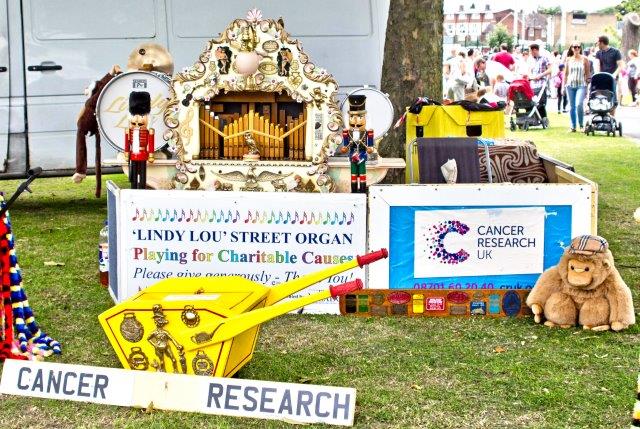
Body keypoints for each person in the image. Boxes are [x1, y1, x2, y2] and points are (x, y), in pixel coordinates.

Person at [564, 43, 591, 132]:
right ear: (571, 48)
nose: (576, 48)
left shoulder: (585, 59)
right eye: (575, 47)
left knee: (579, 104)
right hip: (570, 85)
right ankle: (573, 126)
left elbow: (588, 73)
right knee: (571, 106)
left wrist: (587, 86)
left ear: (580, 48)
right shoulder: (568, 59)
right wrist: (563, 86)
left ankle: (581, 125)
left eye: (578, 47)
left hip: (581, 85)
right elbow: (566, 74)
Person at [595, 35, 624, 114]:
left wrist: (614, 75)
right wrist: (597, 74)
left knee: (611, 97)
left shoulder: (615, 52)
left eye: (597, 42)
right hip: (602, 78)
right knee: (600, 96)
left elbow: (620, 65)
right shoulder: (598, 53)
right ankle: (601, 113)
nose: (596, 44)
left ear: (601, 43)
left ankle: (612, 116)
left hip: (612, 78)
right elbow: (597, 65)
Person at [529, 43, 552, 119]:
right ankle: (536, 119)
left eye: (530, 51)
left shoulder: (544, 58)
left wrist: (541, 75)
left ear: (535, 50)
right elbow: (531, 71)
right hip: (533, 84)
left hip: (541, 84)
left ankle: (543, 118)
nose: (530, 53)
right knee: (534, 102)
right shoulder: (533, 60)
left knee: (540, 102)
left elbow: (550, 70)